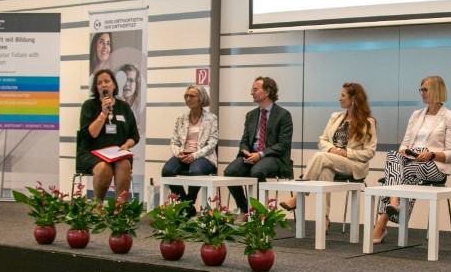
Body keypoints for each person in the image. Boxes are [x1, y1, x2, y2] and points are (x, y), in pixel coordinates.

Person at [370, 75, 451, 244]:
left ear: (436, 90)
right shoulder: (416, 115)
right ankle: (393, 203)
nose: (422, 93)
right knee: (393, 156)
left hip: (434, 164)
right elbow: (404, 144)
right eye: (421, 90)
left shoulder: (450, 117)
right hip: (411, 159)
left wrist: (431, 154)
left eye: (425, 90)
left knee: (400, 173)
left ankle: (383, 219)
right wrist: (405, 152)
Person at [280, 82, 377, 232]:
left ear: (354, 99)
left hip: (353, 165)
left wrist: (346, 152)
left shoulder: (368, 122)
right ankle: (324, 219)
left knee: (321, 157)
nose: (339, 98)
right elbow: (322, 140)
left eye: (343, 95)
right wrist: (332, 148)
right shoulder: (335, 117)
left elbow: (369, 153)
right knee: (325, 170)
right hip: (332, 160)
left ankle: (299, 195)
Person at [225, 77, 293, 213]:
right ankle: (244, 208)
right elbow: (244, 140)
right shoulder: (251, 115)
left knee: (257, 171)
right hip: (251, 155)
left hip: (273, 156)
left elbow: (283, 145)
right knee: (229, 172)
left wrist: (260, 154)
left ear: (267, 91)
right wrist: (245, 150)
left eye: (255, 89)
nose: (251, 92)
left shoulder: (283, 115)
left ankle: (259, 211)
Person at [76, 68, 139, 202]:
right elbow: (89, 135)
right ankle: (97, 206)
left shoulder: (124, 107)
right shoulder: (89, 106)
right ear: (96, 87)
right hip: (91, 153)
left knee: (124, 165)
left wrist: (126, 145)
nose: (104, 85)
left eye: (107, 81)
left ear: (114, 85)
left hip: (117, 153)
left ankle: (120, 208)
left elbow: (134, 135)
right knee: (104, 168)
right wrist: (103, 113)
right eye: (99, 83)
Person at [161, 85, 219, 217]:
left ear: (201, 98)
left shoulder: (211, 118)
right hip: (183, 154)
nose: (188, 99)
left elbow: (212, 143)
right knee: (167, 171)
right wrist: (178, 153)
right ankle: (185, 205)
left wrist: (194, 155)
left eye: (192, 96)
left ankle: (187, 203)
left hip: (204, 156)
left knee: (196, 171)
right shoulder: (181, 118)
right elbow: (174, 141)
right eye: (186, 96)